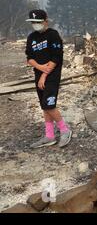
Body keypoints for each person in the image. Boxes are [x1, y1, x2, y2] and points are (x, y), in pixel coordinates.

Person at [25, 10, 72, 149]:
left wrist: (45, 74)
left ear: (46, 21)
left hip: (52, 75)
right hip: (38, 74)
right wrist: (40, 68)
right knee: (44, 106)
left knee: (49, 105)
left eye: (38, 22)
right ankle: (49, 136)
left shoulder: (53, 35)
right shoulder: (31, 37)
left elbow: (56, 57)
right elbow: (29, 58)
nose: (36, 25)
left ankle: (65, 130)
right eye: (33, 22)